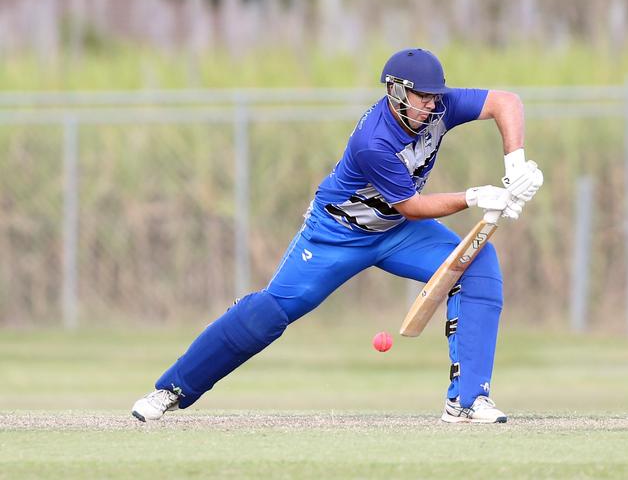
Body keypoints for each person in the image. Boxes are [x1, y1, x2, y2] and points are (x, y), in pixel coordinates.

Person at [131, 48, 543, 424]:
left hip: (398, 232)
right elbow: (412, 206)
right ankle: (171, 389)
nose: (432, 105)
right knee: (269, 313)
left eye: (436, 96)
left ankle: (467, 401)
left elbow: (506, 102)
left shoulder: (440, 106)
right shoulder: (374, 141)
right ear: (396, 91)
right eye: (423, 97)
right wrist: (474, 196)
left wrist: (516, 162)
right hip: (336, 233)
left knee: (478, 262)